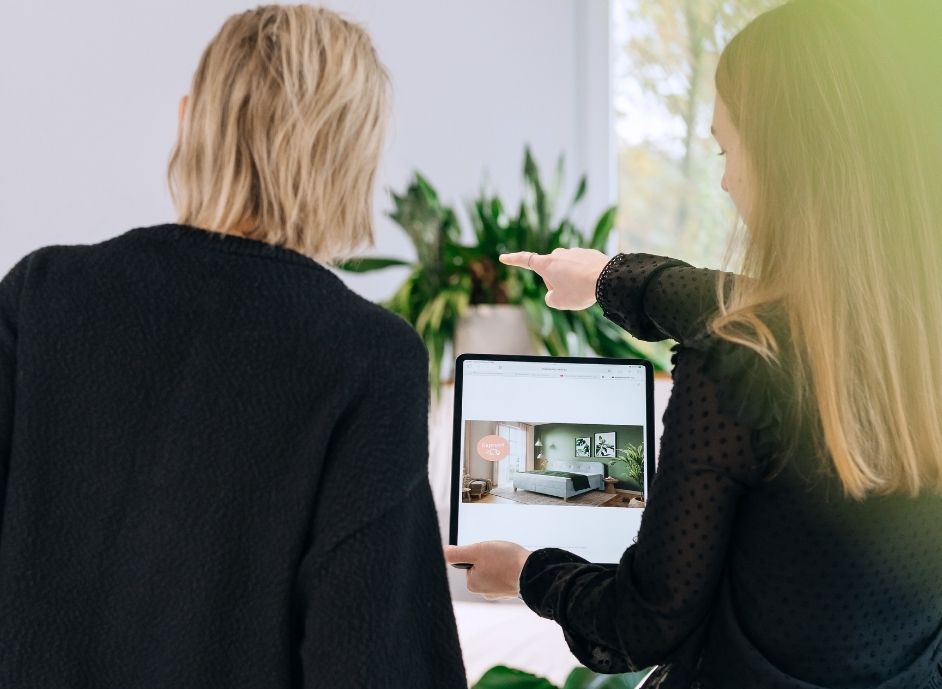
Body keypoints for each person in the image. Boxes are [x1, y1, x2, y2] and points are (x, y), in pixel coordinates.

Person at [447, 1, 942, 687]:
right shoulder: (915, 337)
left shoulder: (740, 362)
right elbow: (791, 312)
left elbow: (641, 625)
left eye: (726, 148)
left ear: (782, 162)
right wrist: (606, 277)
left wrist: (531, 573)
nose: (725, 178)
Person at [0, 6, 465, 688]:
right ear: (354, 159)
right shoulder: (369, 357)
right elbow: (371, 663)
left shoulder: (42, 293)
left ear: (190, 120)